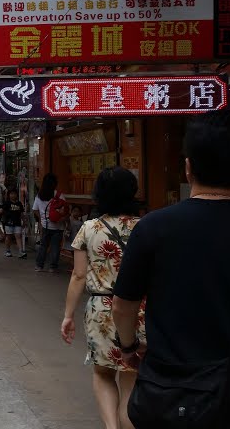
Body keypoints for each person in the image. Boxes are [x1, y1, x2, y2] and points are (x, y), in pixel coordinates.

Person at [112, 110, 230, 428]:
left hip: (176, 400)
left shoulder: (154, 229)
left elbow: (123, 306)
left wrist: (129, 347)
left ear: (188, 167)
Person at [61, 167, 144, 429]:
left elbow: (78, 275)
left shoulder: (88, 229)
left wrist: (68, 316)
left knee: (103, 373)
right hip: (138, 308)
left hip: (101, 310)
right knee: (131, 375)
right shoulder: (145, 227)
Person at [32, 173, 66, 273]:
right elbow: (65, 210)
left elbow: (35, 209)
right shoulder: (59, 195)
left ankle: (39, 266)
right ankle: (53, 267)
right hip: (58, 226)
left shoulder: (39, 195)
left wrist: (42, 218)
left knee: (43, 246)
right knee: (55, 247)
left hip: (45, 225)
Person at [0, 188, 26, 258]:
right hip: (8, 223)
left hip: (17, 223)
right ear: (9, 195)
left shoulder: (19, 204)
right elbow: (1, 210)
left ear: (17, 195)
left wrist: (24, 221)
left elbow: (22, 213)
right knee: (9, 237)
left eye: (14, 194)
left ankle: (20, 251)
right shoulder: (7, 203)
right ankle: (7, 250)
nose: (13, 195)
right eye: (11, 194)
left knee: (18, 236)